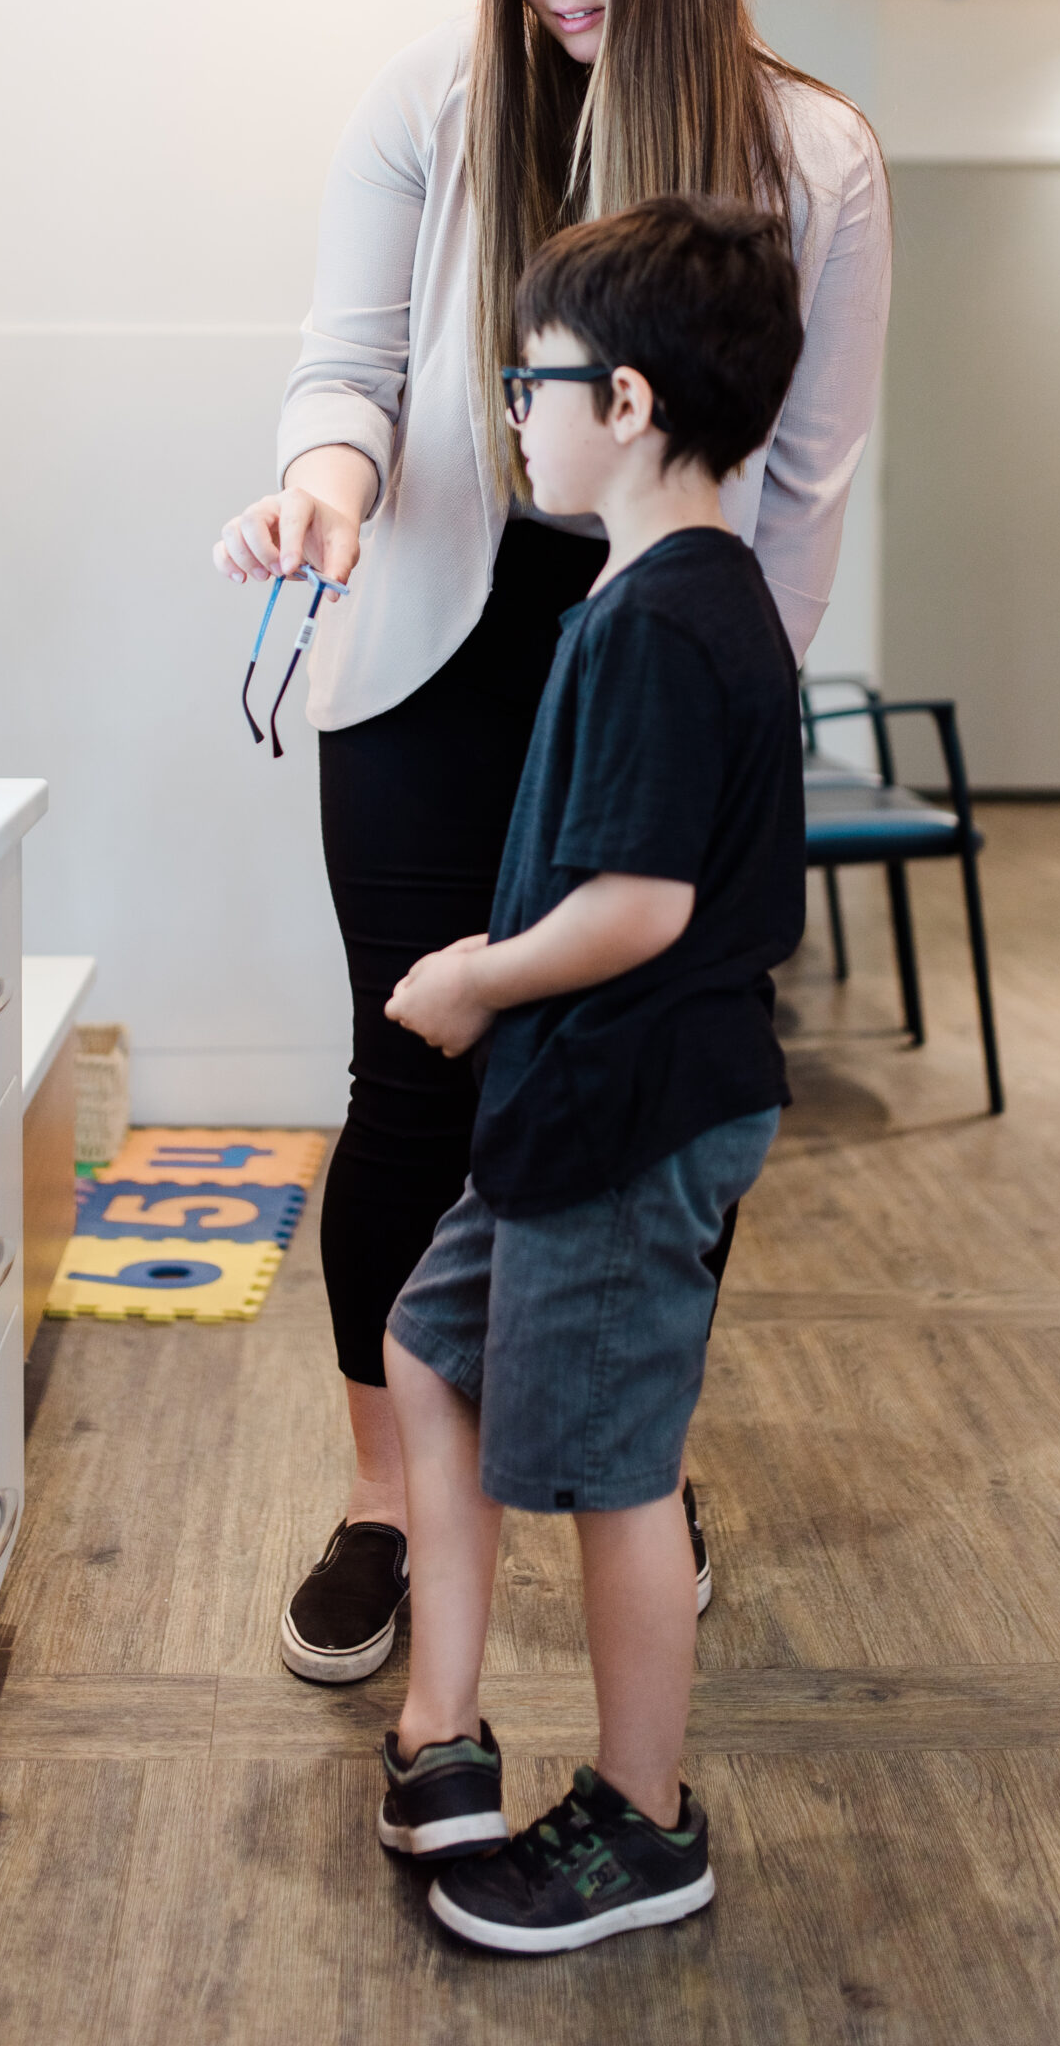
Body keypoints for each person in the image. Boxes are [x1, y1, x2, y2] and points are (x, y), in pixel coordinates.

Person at [212, 0, 889, 1684]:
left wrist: (733, 744)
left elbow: (808, 486)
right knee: (415, 1083)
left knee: (637, 1091)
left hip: (661, 662)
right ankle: (386, 1502)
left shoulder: (811, 156)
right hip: (432, 641)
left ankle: (627, 1473)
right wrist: (321, 487)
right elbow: (348, 372)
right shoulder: (434, 103)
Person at [375, 195, 805, 1952]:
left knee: (623, 1475)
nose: (513, 407)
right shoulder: (668, 594)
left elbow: (638, 905)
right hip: (581, 1109)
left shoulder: (658, 620)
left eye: (526, 377)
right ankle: (441, 1728)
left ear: (622, 403)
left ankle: (643, 1822)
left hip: (628, 1115)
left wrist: (472, 980)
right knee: (427, 1344)